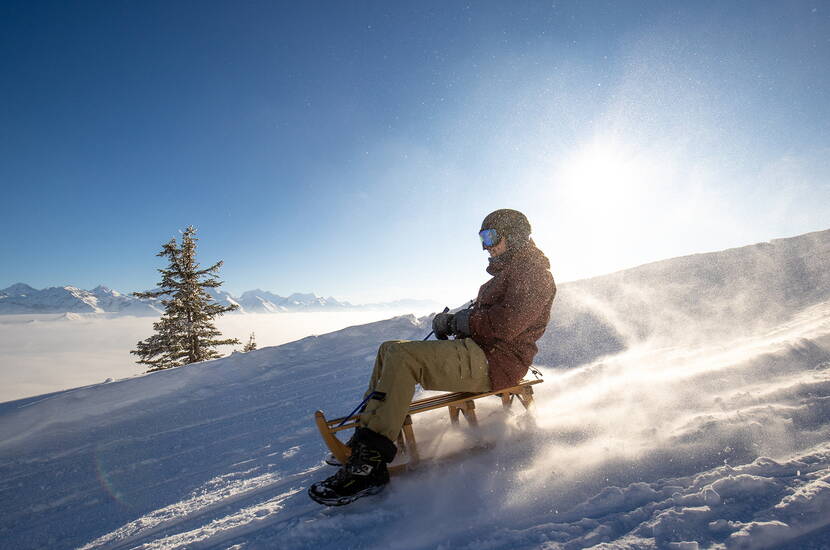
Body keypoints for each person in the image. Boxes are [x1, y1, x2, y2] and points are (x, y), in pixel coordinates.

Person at [308, 209, 556, 506]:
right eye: (482, 238)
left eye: (490, 237)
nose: (486, 246)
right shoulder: (509, 274)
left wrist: (457, 323)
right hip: (482, 353)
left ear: (513, 237)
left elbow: (506, 324)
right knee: (390, 348)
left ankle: (370, 464)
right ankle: (367, 438)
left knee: (403, 356)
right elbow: (487, 320)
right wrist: (454, 325)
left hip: (497, 362)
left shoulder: (534, 275)